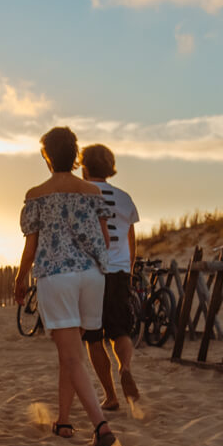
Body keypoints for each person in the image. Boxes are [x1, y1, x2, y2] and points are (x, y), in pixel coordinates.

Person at [15, 127, 119, 446]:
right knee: (70, 353)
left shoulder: (36, 194)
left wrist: (20, 279)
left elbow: (31, 248)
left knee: (71, 355)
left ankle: (101, 427)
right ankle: (62, 420)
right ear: (75, 156)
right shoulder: (92, 192)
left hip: (56, 276)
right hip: (91, 275)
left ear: (46, 156)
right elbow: (105, 238)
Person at [81, 144, 141, 410]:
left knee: (93, 336)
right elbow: (131, 239)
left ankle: (111, 395)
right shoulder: (125, 198)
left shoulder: (82, 196)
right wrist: (129, 268)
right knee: (120, 331)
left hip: (91, 272)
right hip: (119, 271)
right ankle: (125, 367)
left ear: (84, 167)